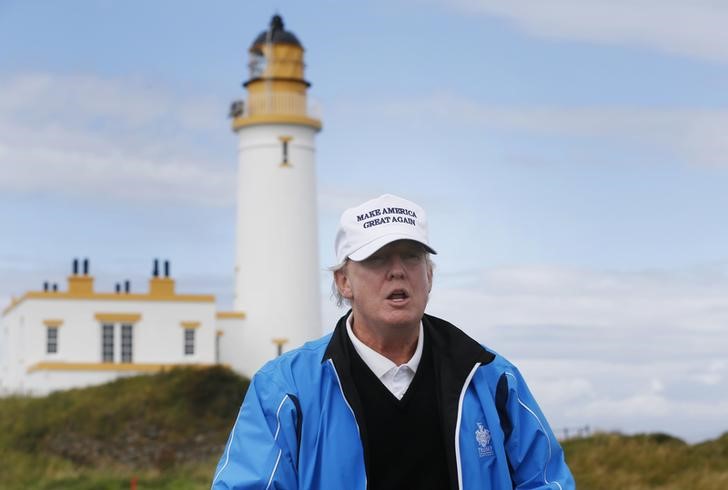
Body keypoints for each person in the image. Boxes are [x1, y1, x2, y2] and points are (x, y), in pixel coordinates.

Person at [212, 194, 575, 489]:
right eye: (378, 258)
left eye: (412, 257)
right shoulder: (285, 389)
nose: (397, 270)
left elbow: (546, 482)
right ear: (343, 282)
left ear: (429, 276)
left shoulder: (492, 378)